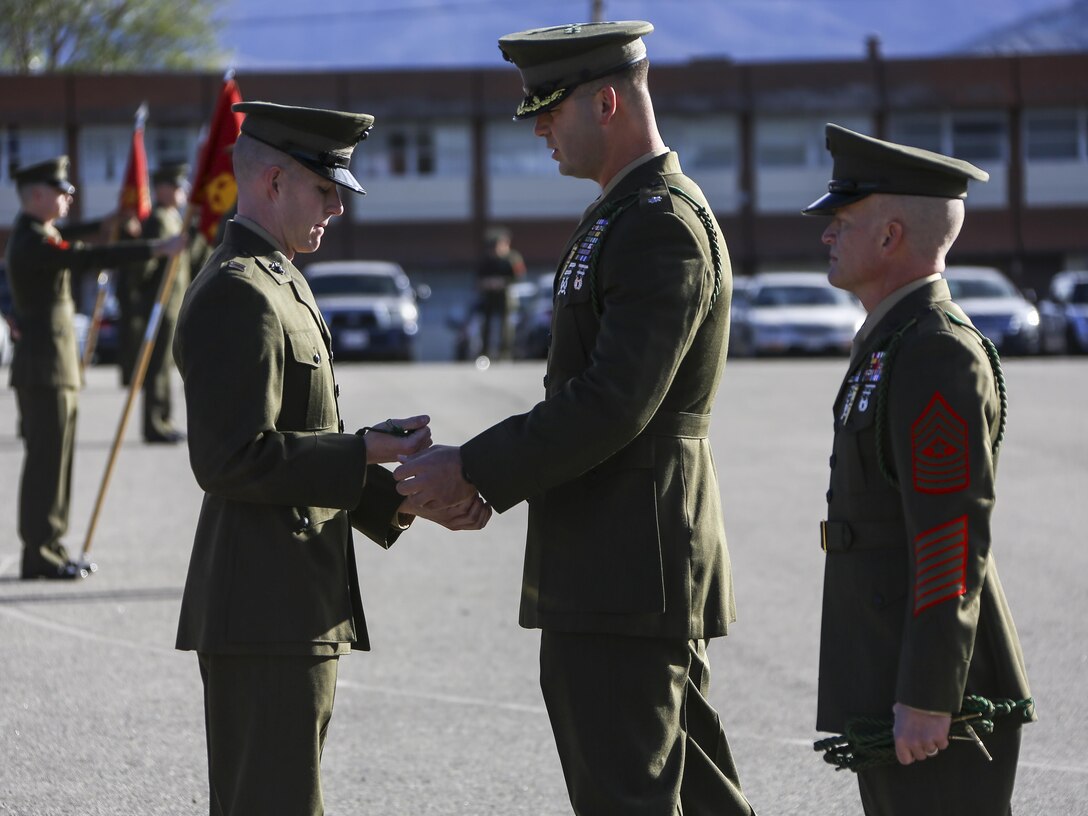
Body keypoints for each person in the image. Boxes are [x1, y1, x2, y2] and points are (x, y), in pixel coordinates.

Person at [394, 21, 755, 816]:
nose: (541, 130)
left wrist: (476, 468)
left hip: (631, 563)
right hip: (614, 559)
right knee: (687, 795)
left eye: (551, 111)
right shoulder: (620, 215)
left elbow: (611, 402)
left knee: (628, 796)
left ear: (610, 100)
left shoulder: (658, 223)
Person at [172, 101, 489, 816]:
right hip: (262, 607)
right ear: (275, 181)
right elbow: (232, 459)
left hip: (290, 602)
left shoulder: (277, 277)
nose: (338, 208)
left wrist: (399, 492)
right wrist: (364, 451)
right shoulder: (239, 291)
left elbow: (299, 441)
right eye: (326, 189)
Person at [802, 123, 1035, 814]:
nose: (825, 234)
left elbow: (949, 535)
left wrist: (931, 692)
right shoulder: (892, 343)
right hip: (890, 667)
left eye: (841, 220)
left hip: (937, 691)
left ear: (889, 235)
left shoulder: (935, 353)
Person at [5, 155, 184, 580]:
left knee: (58, 460)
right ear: (36, 195)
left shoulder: (40, 233)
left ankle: (51, 544)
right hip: (44, 366)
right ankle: (39, 552)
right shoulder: (32, 241)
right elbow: (82, 257)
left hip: (56, 365)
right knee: (46, 462)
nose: (68, 198)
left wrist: (109, 221)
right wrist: (153, 248)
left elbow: (71, 236)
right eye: (61, 192)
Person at [126, 161, 192, 443]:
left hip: (174, 304)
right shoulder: (157, 220)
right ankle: (154, 424)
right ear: (161, 189)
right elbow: (144, 267)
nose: (182, 190)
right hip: (159, 304)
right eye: (176, 186)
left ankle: (164, 418)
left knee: (167, 365)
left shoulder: (175, 217)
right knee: (157, 367)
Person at [475, 225, 526, 359]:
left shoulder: (512, 258)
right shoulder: (486, 259)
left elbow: (519, 275)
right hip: (489, 296)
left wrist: (502, 282)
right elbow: (478, 278)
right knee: (486, 323)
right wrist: (488, 283)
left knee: (506, 324)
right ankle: (485, 351)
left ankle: (505, 352)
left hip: (506, 295)